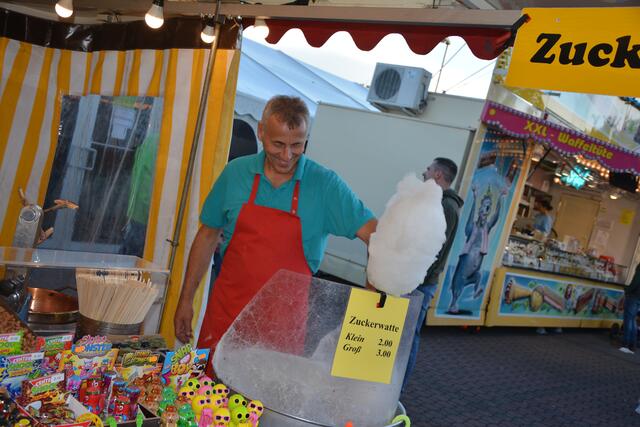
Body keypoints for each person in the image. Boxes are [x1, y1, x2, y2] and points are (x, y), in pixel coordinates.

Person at [174, 96, 377, 359]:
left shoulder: (325, 185)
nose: (287, 156)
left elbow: (376, 236)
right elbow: (207, 234)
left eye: (297, 145)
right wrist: (186, 299)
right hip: (226, 316)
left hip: (282, 329)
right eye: (278, 144)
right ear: (261, 131)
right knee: (208, 384)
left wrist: (370, 306)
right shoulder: (235, 173)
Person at [402, 158, 463, 390]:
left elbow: (433, 250)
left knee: (408, 337)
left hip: (421, 283)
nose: (424, 172)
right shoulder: (445, 204)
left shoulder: (446, 206)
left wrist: (413, 277)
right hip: (421, 280)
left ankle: (398, 387)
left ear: (438, 175)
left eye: (428, 169)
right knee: (406, 335)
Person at [620, 264, 640, 354]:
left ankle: (625, 344)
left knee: (628, 319)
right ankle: (632, 344)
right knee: (633, 320)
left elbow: (636, 281)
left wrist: (627, 289)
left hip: (634, 296)